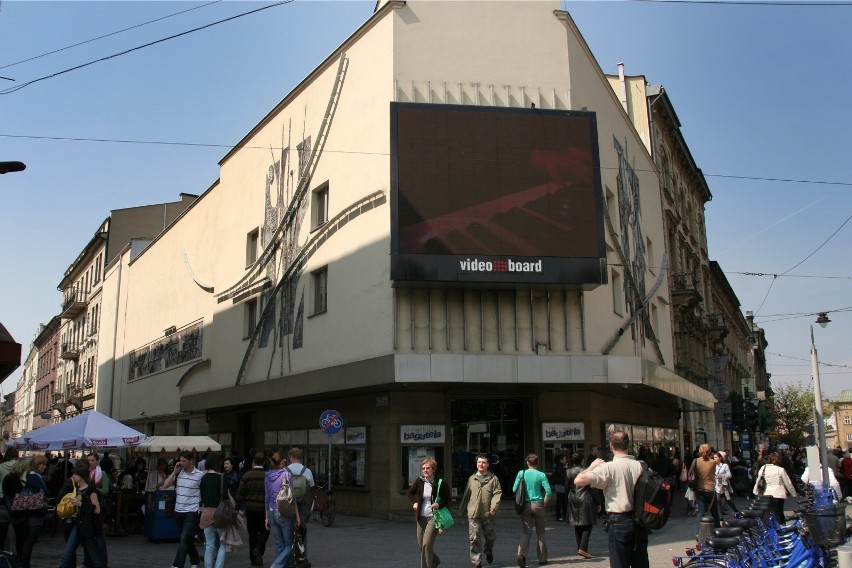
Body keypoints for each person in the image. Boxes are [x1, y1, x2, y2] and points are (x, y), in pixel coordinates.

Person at [574, 430, 647, 568]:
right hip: (640, 521)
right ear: (628, 445)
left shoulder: (609, 468)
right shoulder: (641, 466)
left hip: (619, 521)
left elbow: (578, 480)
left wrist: (591, 467)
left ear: (611, 446)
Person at [59, 461, 107, 568]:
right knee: (67, 555)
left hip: (89, 527)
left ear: (81, 476)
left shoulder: (91, 489)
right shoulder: (76, 489)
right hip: (78, 525)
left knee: (95, 559)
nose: (73, 476)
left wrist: (80, 504)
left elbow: (97, 509)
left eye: (75, 474)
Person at [458, 454, 502, 568]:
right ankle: (476, 561)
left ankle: (488, 551)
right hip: (473, 513)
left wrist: (494, 507)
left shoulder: (493, 479)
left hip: (488, 514)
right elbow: (467, 495)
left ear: (487, 464)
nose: (481, 464)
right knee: (474, 538)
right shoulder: (472, 478)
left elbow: (497, 493)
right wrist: (462, 510)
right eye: (479, 462)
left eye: (483, 462)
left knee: (490, 537)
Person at [406, 457, 452, 568]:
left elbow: (448, 499)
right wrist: (415, 502)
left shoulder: (440, 482)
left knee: (427, 544)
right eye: (423, 468)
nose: (425, 470)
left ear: (433, 470)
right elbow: (409, 493)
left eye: (428, 468)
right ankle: (434, 561)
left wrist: (438, 505)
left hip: (433, 517)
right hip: (420, 517)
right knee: (421, 545)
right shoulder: (419, 481)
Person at [163, 450, 204, 568]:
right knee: (186, 539)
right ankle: (195, 560)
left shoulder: (199, 475)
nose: (181, 463)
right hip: (178, 510)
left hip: (191, 511)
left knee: (184, 538)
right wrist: (174, 472)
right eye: (180, 460)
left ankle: (177, 564)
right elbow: (165, 485)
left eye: (184, 461)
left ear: (191, 461)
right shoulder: (179, 473)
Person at [513, 453, 551, 568]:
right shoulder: (541, 475)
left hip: (525, 505)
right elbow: (548, 491)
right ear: (537, 463)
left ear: (527, 463)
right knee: (541, 532)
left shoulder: (522, 473)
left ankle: (521, 554)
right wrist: (544, 502)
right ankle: (543, 559)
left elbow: (514, 488)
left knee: (526, 531)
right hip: (538, 504)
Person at [265, 450, 300, 568]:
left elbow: (267, 497)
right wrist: (297, 516)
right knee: (289, 545)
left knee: (279, 545)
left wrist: (266, 518)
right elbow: (292, 497)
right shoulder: (286, 475)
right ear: (282, 462)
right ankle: (275, 566)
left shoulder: (267, 476)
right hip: (283, 512)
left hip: (271, 512)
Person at [565, 452, 601, 560]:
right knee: (587, 524)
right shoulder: (586, 470)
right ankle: (583, 548)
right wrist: (598, 502)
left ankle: (580, 548)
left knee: (577, 524)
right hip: (585, 497)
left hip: (573, 497)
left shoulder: (568, 471)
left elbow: (566, 487)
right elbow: (592, 487)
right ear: (582, 460)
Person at [237, 452, 270, 567]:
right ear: (264, 462)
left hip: (250, 509)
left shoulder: (246, 475)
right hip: (264, 509)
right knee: (265, 531)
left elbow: (240, 493)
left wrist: (238, 507)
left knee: (252, 534)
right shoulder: (268, 475)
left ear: (253, 462)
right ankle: (259, 549)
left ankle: (253, 558)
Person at [285, 447, 314, 568]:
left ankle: (290, 560)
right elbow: (312, 486)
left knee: (288, 532)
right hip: (301, 504)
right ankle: (303, 558)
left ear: (291, 457)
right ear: (300, 457)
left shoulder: (285, 470)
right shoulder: (306, 471)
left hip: (288, 504)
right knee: (302, 530)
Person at [199, 453, 229, 568]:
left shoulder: (203, 477)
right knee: (222, 543)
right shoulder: (222, 477)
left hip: (206, 512)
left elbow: (201, 497)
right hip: (219, 513)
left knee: (209, 544)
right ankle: (218, 566)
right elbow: (225, 497)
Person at [753, 451, 796, 524]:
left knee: (771, 511)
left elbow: (758, 479)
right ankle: (781, 527)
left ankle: (772, 526)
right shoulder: (780, 470)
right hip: (779, 494)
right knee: (779, 511)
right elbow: (788, 483)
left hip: (768, 493)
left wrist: (755, 491)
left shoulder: (764, 468)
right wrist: (794, 494)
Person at [691, 443, 719, 529]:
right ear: (710, 451)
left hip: (699, 489)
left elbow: (690, 474)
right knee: (714, 512)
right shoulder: (713, 462)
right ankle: (717, 529)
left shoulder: (696, 461)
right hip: (710, 489)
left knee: (701, 512)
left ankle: (698, 532)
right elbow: (714, 473)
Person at [0, 446, 20, 551]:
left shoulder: (1, 466)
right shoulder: (19, 467)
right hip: (16, 500)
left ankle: (3, 552)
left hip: (2, 499)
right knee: (17, 531)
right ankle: (12, 554)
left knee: (2, 530)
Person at [712, 451, 732, 519]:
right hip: (715, 485)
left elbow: (729, 475)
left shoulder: (724, 465)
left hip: (723, 485)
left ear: (720, 458)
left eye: (716, 457)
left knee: (727, 500)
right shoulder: (712, 465)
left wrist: (721, 476)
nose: (714, 459)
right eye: (713, 457)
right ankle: (720, 517)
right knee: (718, 500)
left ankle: (736, 510)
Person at [551, 454, 568, 522]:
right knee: (561, 501)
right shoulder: (559, 466)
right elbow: (563, 475)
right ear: (561, 460)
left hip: (560, 485)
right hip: (560, 485)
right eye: (564, 459)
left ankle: (562, 515)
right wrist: (566, 468)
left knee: (561, 501)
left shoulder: (559, 466)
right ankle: (560, 516)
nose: (565, 460)